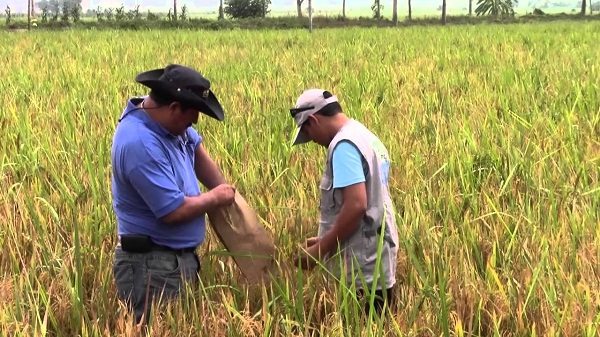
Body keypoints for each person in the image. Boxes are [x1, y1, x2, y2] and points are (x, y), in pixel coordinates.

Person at [110, 64, 236, 327]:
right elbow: (172, 211)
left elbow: (197, 151)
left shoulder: (171, 125)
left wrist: (225, 191)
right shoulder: (140, 142)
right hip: (151, 267)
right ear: (174, 107)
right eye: (190, 118)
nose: (191, 126)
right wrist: (215, 198)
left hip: (173, 262)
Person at [289, 88, 400, 316]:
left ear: (313, 120)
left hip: (362, 268)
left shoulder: (344, 147)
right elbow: (371, 203)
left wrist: (320, 250)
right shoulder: (364, 135)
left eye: (308, 134)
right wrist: (325, 235)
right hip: (379, 258)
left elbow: (356, 206)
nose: (313, 142)